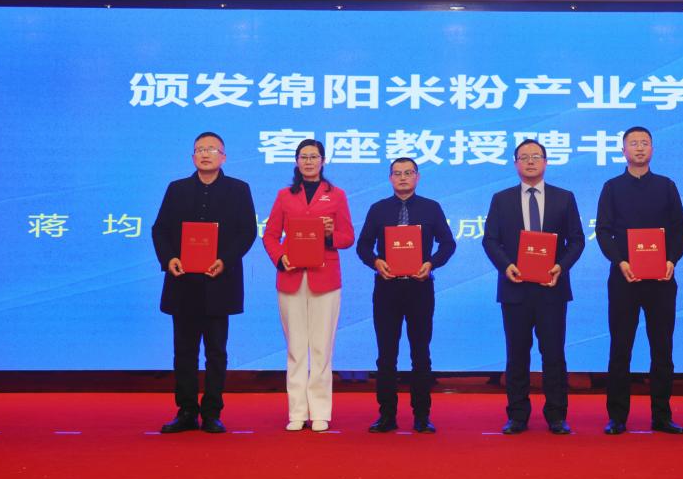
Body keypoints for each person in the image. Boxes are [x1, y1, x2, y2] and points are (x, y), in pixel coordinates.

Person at [151, 132, 256, 434]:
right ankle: (186, 411)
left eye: (212, 149)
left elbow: (247, 232)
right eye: (200, 149)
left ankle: (212, 412)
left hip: (219, 282)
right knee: (184, 352)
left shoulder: (238, 189)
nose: (205, 154)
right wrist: (169, 259)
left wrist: (225, 259)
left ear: (224, 156)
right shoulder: (177, 189)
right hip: (183, 282)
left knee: (216, 352)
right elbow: (160, 230)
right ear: (192, 156)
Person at [482, 139, 585, 435]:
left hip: (552, 287)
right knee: (517, 354)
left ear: (546, 162)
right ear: (515, 163)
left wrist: (560, 267)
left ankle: (556, 415)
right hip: (515, 288)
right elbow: (490, 240)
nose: (530, 161)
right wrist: (506, 266)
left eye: (536, 156)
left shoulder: (564, 198)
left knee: (553, 354)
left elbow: (577, 240)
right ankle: (517, 415)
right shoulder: (501, 199)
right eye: (524, 157)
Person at [595, 126, 683, 435]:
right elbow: (603, 230)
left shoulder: (666, 186)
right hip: (624, 279)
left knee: (662, 349)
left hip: (661, 280)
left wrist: (671, 260)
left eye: (644, 143)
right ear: (623, 150)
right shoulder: (612, 187)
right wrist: (620, 261)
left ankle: (662, 416)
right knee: (620, 348)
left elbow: (680, 228)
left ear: (652, 149)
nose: (639, 148)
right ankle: (617, 417)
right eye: (633, 143)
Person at [356, 158, 456, 434]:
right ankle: (386, 415)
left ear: (417, 177)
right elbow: (363, 246)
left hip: (419, 288)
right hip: (386, 288)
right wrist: (376, 262)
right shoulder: (378, 209)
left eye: (408, 173)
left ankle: (422, 416)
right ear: (390, 178)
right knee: (386, 355)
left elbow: (448, 243)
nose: (403, 178)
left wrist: (431, 264)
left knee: (420, 353)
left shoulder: (431, 208)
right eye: (397, 173)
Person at [263, 139, 354, 433]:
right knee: (296, 347)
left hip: (325, 278)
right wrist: (280, 258)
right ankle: (297, 411)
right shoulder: (284, 195)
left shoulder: (336, 195)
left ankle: (321, 411)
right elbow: (270, 235)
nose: (309, 161)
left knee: (321, 347)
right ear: (296, 161)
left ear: (323, 161)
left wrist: (329, 235)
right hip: (291, 277)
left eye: (314, 157)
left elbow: (347, 237)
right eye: (304, 157)